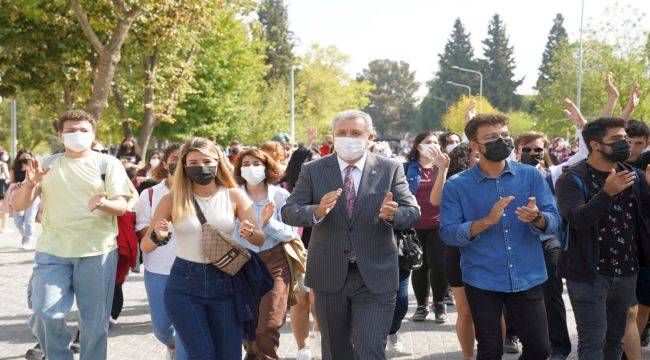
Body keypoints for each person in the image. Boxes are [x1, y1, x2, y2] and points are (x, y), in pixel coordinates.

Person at [282, 109, 420, 360]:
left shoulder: (390, 169)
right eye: (342, 133)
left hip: (376, 275)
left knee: (370, 350)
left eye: (356, 133)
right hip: (328, 275)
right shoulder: (313, 170)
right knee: (336, 352)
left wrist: (393, 214)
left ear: (370, 137)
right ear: (333, 136)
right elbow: (289, 211)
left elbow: (412, 212)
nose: (349, 137)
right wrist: (317, 210)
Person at [12, 110, 132, 360]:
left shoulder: (107, 164)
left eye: (83, 130)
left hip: (97, 251)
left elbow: (121, 206)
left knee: (93, 324)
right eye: (71, 130)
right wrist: (31, 184)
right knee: (45, 312)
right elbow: (21, 205)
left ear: (93, 134)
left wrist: (101, 204)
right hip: (52, 250)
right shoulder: (47, 163)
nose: (77, 135)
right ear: (60, 134)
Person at [440, 113, 560, 360]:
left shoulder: (531, 175)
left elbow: (554, 221)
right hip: (482, 277)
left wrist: (537, 218)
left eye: (505, 135)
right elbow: (448, 233)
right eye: (492, 137)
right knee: (490, 350)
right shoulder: (456, 185)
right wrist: (485, 222)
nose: (501, 140)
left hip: (528, 274)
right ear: (474, 145)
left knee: (540, 349)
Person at [140, 137, 269, 360]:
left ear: (218, 162)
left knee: (228, 355)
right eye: (193, 162)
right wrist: (157, 236)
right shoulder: (172, 199)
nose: (200, 166)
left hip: (226, 283)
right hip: (185, 284)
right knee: (202, 354)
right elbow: (146, 246)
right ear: (184, 166)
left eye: (206, 161)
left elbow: (259, 239)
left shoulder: (234, 195)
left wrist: (249, 233)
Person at [555, 117, 650, 360]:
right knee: (592, 342)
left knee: (614, 343)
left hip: (627, 271)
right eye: (617, 139)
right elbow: (577, 220)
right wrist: (606, 193)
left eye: (626, 139)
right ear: (595, 144)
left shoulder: (634, 176)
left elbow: (643, 218)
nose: (625, 144)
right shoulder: (572, 178)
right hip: (589, 274)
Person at [232, 149, 298, 359]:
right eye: (246, 164)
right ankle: (253, 354)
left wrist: (269, 222)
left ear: (267, 166)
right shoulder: (232, 195)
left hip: (274, 261)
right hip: (242, 263)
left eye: (256, 163)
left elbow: (290, 233)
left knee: (269, 324)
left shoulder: (280, 195)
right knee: (248, 326)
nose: (251, 168)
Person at [514, 132, 572, 359]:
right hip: (518, 243)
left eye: (537, 149)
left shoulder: (555, 173)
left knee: (551, 294)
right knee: (519, 296)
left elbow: (587, 149)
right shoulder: (507, 174)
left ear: (545, 150)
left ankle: (559, 347)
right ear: (517, 150)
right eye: (526, 149)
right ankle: (523, 341)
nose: (532, 153)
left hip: (548, 240)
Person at [134, 144, 186, 360]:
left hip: (191, 269)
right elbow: (143, 232)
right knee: (161, 328)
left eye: (184, 158)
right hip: (159, 269)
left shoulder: (200, 193)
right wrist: (158, 235)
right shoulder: (150, 194)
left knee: (186, 327)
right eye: (174, 158)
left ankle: (183, 352)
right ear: (165, 163)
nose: (179, 163)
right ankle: (171, 345)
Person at [404, 131, 449, 323]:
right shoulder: (407, 168)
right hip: (415, 225)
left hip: (439, 223)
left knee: (439, 264)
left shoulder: (445, 167)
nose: (433, 145)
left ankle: (439, 303)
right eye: (428, 142)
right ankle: (421, 305)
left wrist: (443, 169)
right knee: (419, 265)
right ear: (418, 146)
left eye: (436, 142)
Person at [282, 145, 321, 360]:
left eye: (316, 159)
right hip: (295, 253)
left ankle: (320, 340)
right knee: (300, 301)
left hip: (322, 251)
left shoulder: (327, 186)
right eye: (308, 160)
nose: (312, 164)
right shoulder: (284, 189)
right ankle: (303, 349)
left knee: (317, 301)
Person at [10, 150, 41, 250]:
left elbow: (39, 180)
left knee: (29, 220)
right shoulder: (14, 169)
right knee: (18, 221)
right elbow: (11, 182)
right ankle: (26, 236)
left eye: (28, 157)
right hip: (18, 195)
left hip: (33, 196)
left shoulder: (34, 167)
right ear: (19, 158)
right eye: (23, 157)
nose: (26, 159)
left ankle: (28, 240)